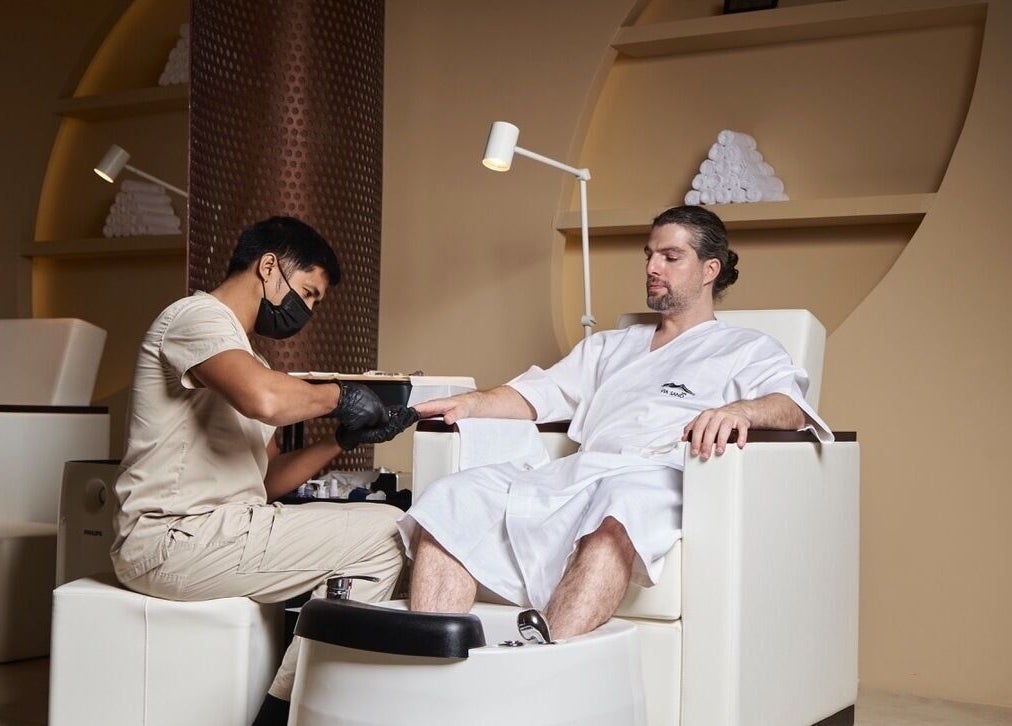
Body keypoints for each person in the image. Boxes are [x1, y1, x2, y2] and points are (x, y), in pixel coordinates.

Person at [399, 204, 831, 642]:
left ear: (709, 269)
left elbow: (791, 406)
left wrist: (740, 411)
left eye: (670, 256)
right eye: (649, 255)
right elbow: (542, 393)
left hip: (660, 479)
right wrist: (471, 403)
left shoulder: (745, 348)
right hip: (582, 471)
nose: (652, 267)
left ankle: (545, 666)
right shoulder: (611, 346)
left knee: (620, 504)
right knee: (454, 496)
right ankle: (430, 659)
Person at [110, 216, 417, 725]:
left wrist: (340, 441)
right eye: (310, 293)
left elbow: (266, 481)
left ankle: (292, 707)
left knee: (387, 536)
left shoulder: (245, 357)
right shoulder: (196, 318)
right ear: (270, 267)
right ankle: (284, 715)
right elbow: (266, 400)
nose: (309, 311)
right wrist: (340, 397)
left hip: (219, 532)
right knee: (387, 533)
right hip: (168, 537)